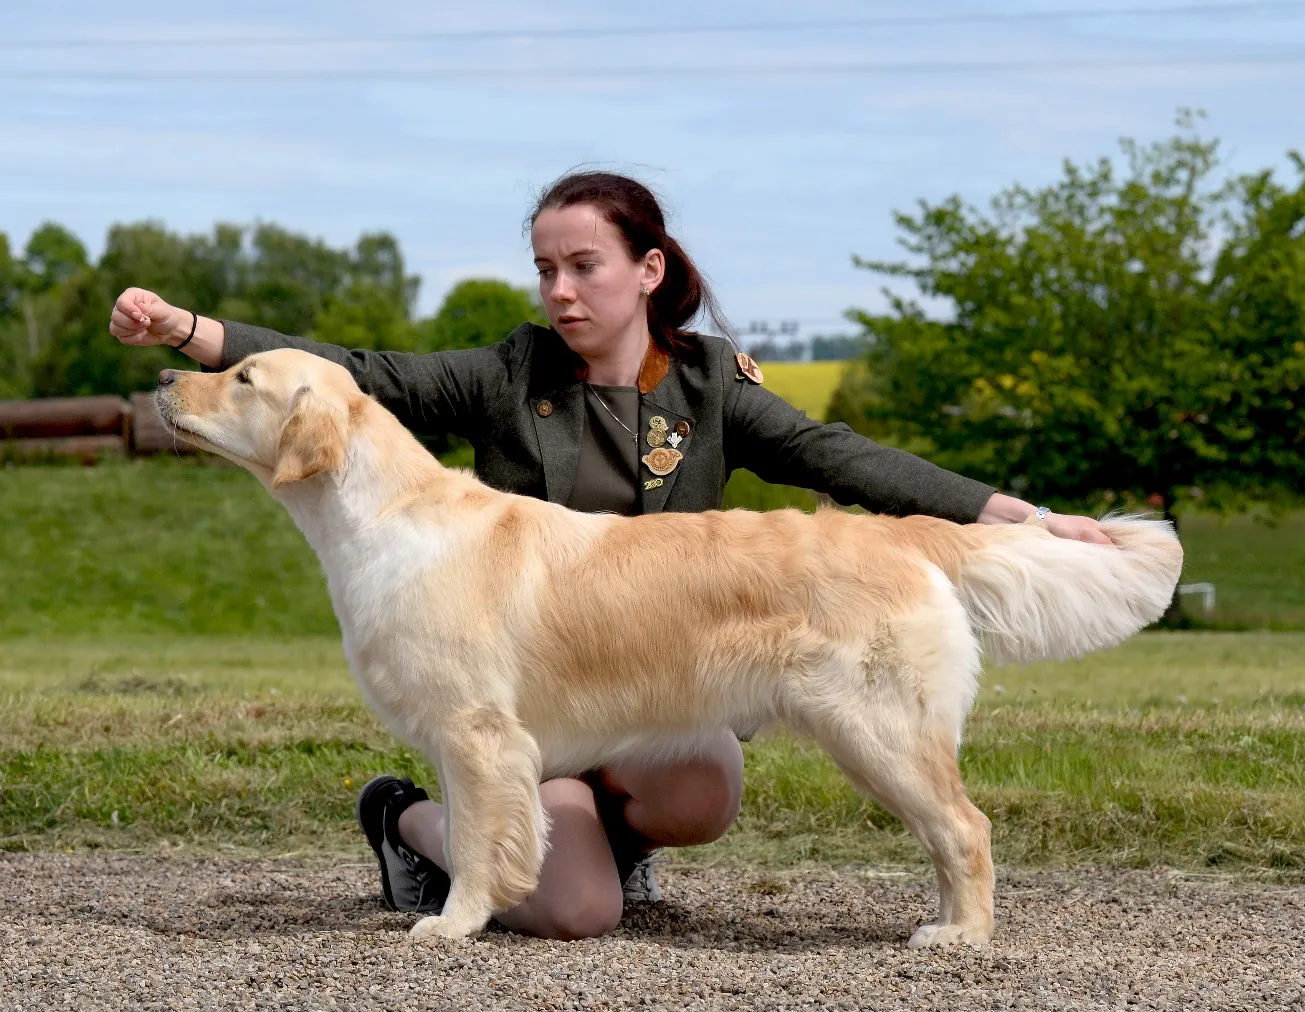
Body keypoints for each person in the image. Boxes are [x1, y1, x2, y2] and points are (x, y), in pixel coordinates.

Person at [109, 170, 1113, 941]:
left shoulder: (714, 384)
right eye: (545, 268)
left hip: (656, 682)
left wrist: (1007, 515)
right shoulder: (508, 373)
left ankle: (647, 841)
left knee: (704, 787)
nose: (559, 289)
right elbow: (361, 376)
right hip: (545, 708)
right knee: (575, 913)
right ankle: (410, 823)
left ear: (648, 271)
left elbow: (836, 456)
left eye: (582, 265)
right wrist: (189, 330)